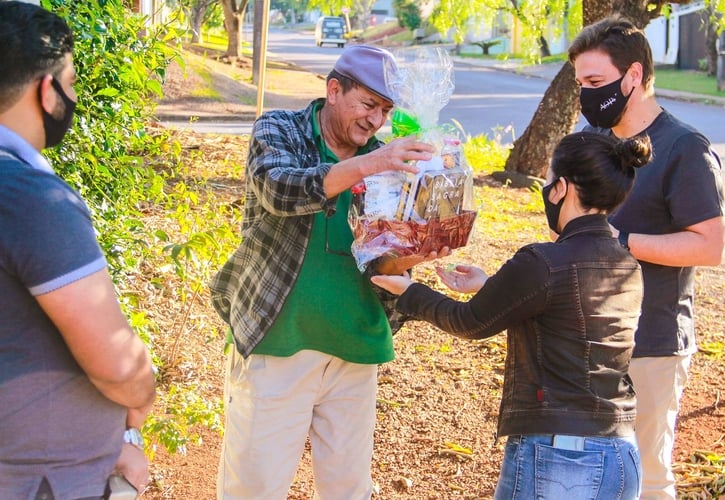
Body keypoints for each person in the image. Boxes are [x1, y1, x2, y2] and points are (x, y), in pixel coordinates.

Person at [210, 45, 447, 499]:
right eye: (368, 105)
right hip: (278, 338)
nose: (376, 121)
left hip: (356, 345)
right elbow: (277, 191)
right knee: (254, 486)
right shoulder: (280, 129)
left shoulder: (389, 162)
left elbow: (385, 263)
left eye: (385, 111)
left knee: (346, 489)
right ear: (333, 90)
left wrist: (421, 248)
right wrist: (373, 162)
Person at [372, 131, 652, 499]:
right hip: (621, 453)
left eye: (550, 179)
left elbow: (469, 322)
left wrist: (410, 292)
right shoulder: (625, 264)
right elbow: (566, 311)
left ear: (562, 188)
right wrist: (490, 284)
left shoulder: (543, 262)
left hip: (561, 457)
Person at [0, 2, 156, 499]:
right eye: (68, 83)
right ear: (46, 91)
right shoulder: (30, 200)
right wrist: (139, 397)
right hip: (38, 480)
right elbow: (117, 364)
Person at [568, 16, 725, 500]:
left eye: (595, 83)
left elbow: (710, 245)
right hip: (589, 338)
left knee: (645, 481)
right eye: (580, 85)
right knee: (592, 477)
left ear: (633, 76)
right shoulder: (594, 142)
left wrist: (622, 240)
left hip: (651, 346)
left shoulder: (685, 149)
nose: (586, 96)